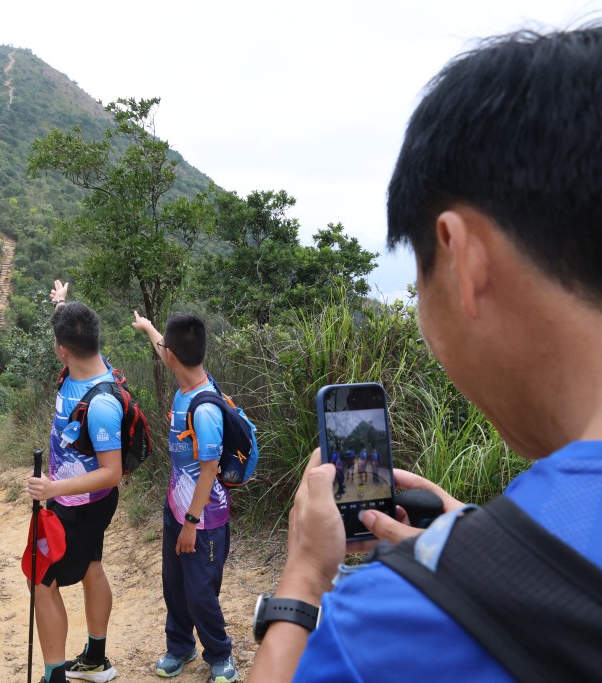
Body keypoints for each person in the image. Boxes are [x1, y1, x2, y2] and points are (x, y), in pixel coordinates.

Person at [248, 26, 602, 682]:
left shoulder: (389, 622)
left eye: (419, 276)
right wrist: (490, 547)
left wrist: (302, 574)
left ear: (462, 255)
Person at [132, 311, 238, 683]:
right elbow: (167, 350)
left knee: (200, 592)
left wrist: (191, 525)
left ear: (174, 355)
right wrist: (148, 327)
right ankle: (180, 646)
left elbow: (209, 472)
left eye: (165, 348)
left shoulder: (205, 408)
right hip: (176, 507)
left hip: (204, 518)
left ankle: (220, 655)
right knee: (174, 583)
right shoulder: (187, 377)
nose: (164, 353)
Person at [27, 280, 123, 683]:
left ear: (62, 349)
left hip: (79, 505)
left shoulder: (101, 402)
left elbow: (112, 471)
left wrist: (53, 490)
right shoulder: (88, 362)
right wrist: (62, 304)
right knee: (91, 566)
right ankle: (96, 660)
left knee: (41, 579)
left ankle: (54, 676)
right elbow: (72, 331)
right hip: (81, 502)